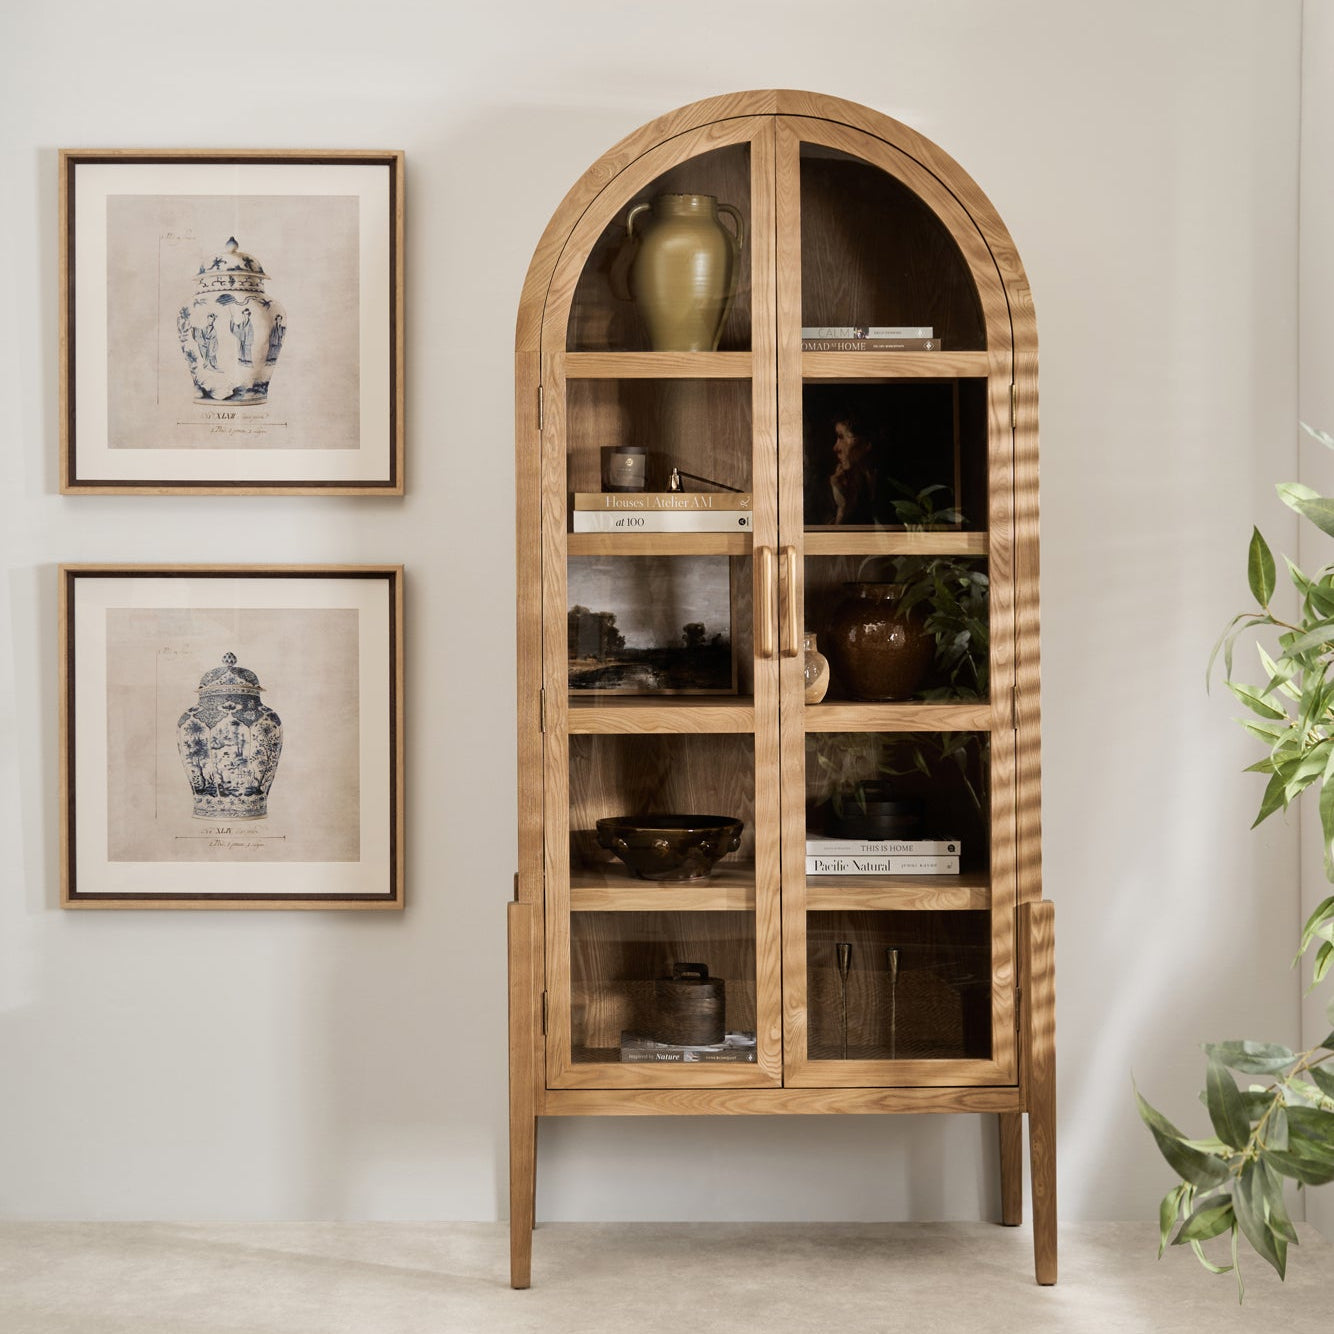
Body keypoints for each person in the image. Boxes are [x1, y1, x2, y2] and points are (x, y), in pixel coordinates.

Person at [828, 415, 877, 525]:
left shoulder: (887, 487)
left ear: (866, 444)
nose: (835, 448)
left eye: (841, 437)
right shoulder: (840, 484)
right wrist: (842, 509)